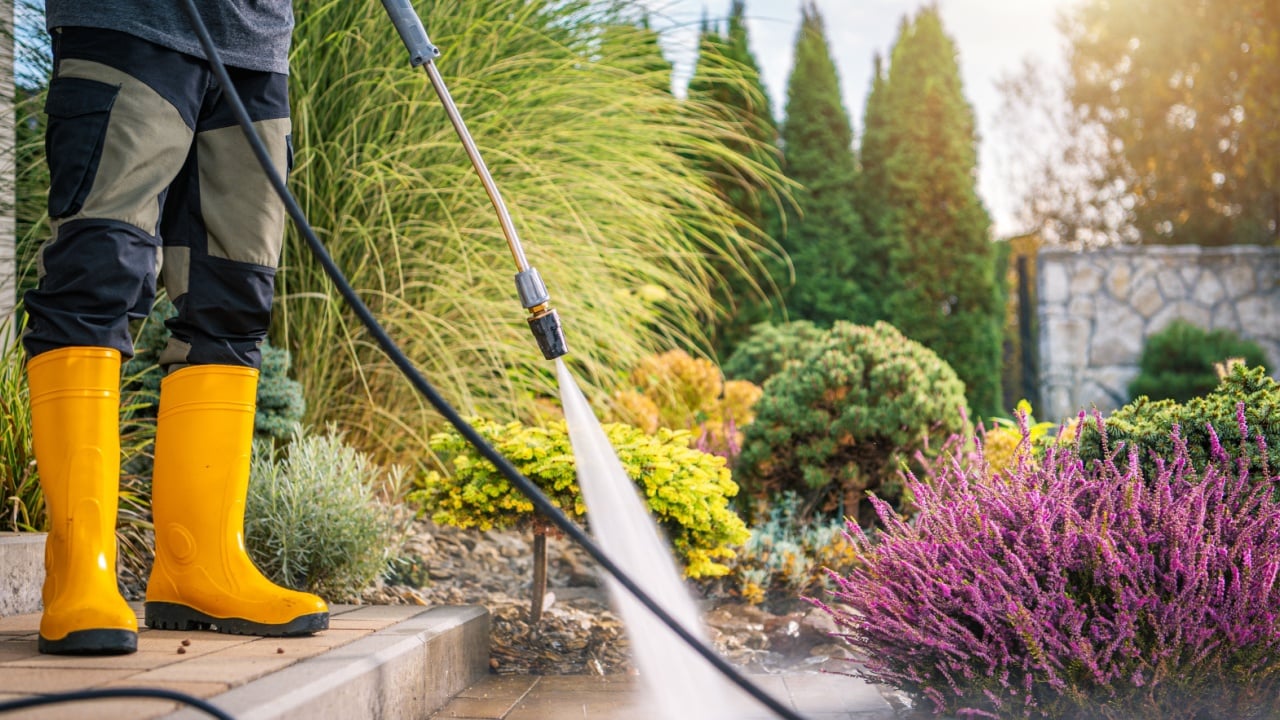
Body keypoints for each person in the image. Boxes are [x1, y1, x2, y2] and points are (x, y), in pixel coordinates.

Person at [23, 2, 328, 655]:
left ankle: (201, 565)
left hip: (255, 39)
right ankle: (79, 572)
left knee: (234, 298)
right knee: (98, 272)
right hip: (131, 22)